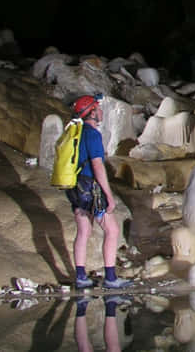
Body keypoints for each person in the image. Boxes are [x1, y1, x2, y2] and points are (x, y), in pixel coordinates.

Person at [68, 94, 132, 289]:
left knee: (84, 230)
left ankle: (80, 276)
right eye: (98, 107)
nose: (101, 111)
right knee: (112, 230)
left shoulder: (75, 132)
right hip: (91, 189)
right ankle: (111, 278)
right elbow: (98, 166)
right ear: (93, 113)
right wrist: (109, 197)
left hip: (74, 186)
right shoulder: (93, 135)